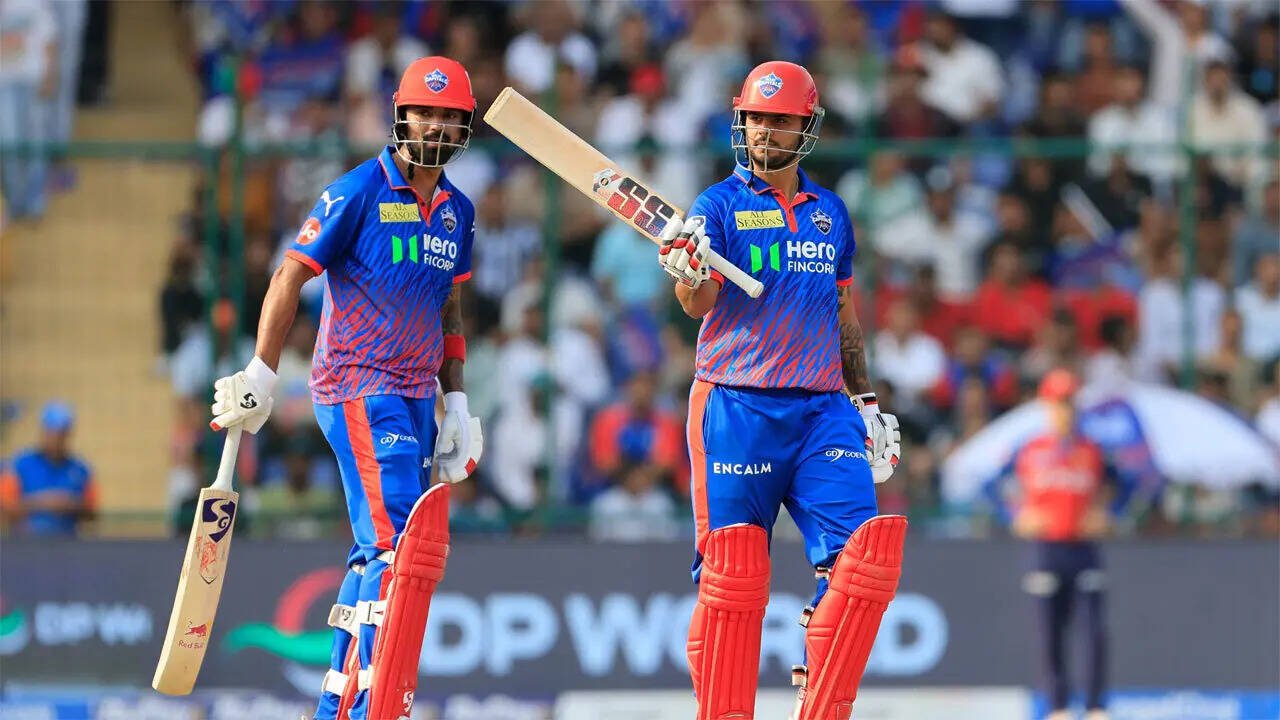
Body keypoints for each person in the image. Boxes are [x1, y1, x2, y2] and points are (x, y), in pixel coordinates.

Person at [206, 56, 484, 720]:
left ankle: (338, 703)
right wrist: (262, 373)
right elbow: (289, 276)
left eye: (449, 116)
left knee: (374, 549)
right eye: (425, 112)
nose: (437, 126)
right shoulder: (357, 191)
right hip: (358, 386)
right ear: (401, 116)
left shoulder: (458, 211)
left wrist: (457, 401)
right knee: (399, 543)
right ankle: (374, 707)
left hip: (416, 394)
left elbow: (448, 309)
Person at [657, 61, 906, 720]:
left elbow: (844, 315)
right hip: (737, 404)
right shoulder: (717, 206)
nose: (765, 132)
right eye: (756, 119)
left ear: (806, 128)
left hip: (823, 409)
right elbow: (696, 302)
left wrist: (866, 402)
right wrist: (690, 273)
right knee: (731, 577)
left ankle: (818, 700)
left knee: (864, 562)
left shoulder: (831, 214)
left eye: (780, 120)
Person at [989, 370, 1113, 720]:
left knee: (1093, 632)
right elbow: (991, 485)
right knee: (1048, 634)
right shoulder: (1029, 449)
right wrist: (1015, 514)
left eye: (1070, 403)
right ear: (1046, 406)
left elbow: (1130, 482)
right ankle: (1059, 707)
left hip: (1083, 548)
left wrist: (1109, 513)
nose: (1065, 411)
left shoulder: (1092, 449)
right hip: (1045, 550)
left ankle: (1095, 707)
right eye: (1059, 403)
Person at [0, 402, 97, 536]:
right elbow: (6, 507)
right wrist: (41, 502)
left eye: (61, 434)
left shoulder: (80, 469)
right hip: (26, 543)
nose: (56, 439)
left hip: (67, 542)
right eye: (52, 432)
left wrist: (70, 505)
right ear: (43, 432)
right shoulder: (19, 465)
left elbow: (91, 512)